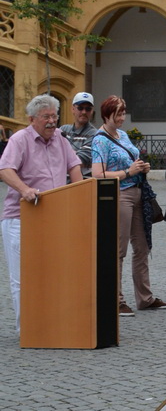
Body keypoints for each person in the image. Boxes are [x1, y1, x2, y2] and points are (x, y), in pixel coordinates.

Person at [0, 95, 83, 327]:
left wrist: (80, 194)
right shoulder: (19, 139)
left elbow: (74, 166)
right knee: (22, 277)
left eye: (55, 116)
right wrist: (24, 189)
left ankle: (51, 325)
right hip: (20, 218)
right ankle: (26, 328)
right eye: (46, 116)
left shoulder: (60, 139)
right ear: (32, 119)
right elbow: (5, 169)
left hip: (55, 217)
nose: (52, 121)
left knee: (52, 273)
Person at [92, 96, 166, 314]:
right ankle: (116, 300)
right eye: (118, 114)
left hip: (138, 193)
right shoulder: (100, 140)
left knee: (142, 247)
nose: (122, 118)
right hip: (120, 195)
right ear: (107, 115)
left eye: (123, 113)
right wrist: (128, 172)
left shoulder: (122, 134)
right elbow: (98, 174)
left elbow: (130, 159)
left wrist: (141, 167)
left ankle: (145, 297)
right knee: (119, 249)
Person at [60, 91, 99, 177]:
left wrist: (63, 154)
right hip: (60, 182)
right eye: (80, 108)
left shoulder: (95, 134)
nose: (84, 112)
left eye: (88, 109)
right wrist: (73, 153)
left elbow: (81, 160)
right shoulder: (63, 130)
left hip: (82, 183)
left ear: (92, 111)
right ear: (73, 109)